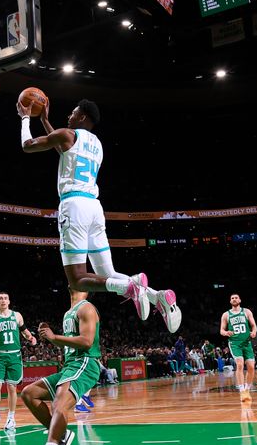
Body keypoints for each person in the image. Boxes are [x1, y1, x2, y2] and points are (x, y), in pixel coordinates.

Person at [18, 98, 181, 333]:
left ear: (82, 117)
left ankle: (131, 287)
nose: (69, 116)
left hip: (73, 207)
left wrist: (25, 118)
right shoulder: (97, 144)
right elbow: (61, 146)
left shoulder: (67, 134)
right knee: (108, 275)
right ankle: (158, 297)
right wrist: (43, 119)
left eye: (73, 113)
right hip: (94, 208)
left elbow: (28, 145)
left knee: (76, 279)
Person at [21, 288, 101, 445]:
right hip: (70, 366)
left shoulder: (86, 308)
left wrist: (54, 336)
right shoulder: (68, 313)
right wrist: (48, 335)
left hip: (85, 363)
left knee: (59, 401)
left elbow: (87, 342)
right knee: (29, 393)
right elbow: (69, 344)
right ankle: (61, 433)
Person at [0, 292, 37, 431]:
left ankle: (11, 418)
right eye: (0, 299)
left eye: (5, 298)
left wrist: (31, 338)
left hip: (14, 356)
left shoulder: (17, 316)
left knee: (11, 387)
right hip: (0, 356)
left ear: (9, 301)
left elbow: (24, 331)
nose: (3, 301)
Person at [220, 294, 257, 402]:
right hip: (235, 343)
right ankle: (242, 391)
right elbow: (221, 330)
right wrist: (226, 332)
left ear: (240, 300)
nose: (234, 299)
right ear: (230, 301)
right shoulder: (226, 315)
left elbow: (253, 325)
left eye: (236, 298)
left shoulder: (246, 312)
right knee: (240, 364)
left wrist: (254, 332)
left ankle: (247, 389)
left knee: (251, 367)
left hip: (247, 342)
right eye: (232, 298)